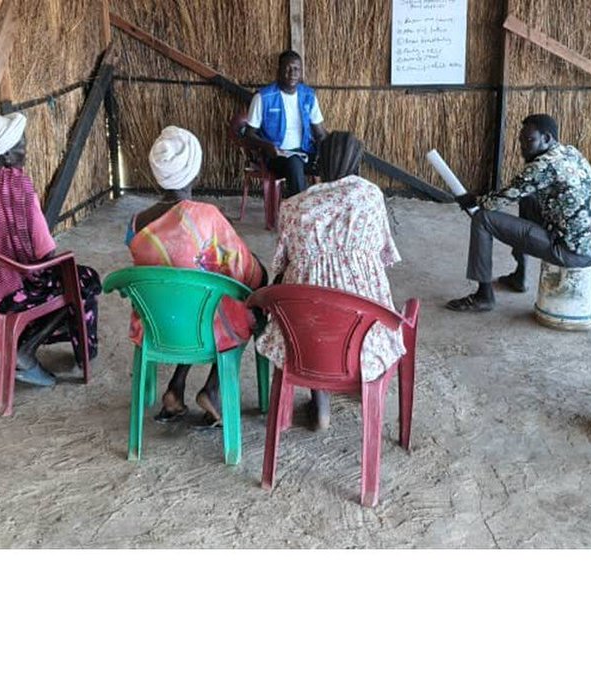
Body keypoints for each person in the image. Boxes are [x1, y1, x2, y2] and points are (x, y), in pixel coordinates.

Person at [256, 132, 405, 430]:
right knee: (358, 301)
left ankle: (320, 404)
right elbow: (383, 255)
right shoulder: (370, 196)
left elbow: (281, 266)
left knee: (311, 303)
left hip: (306, 344)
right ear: (357, 164)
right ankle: (363, 379)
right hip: (363, 333)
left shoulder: (294, 206)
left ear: (318, 164)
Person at [0, 112, 101, 387]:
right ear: (3, 154)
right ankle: (33, 350)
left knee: (66, 280)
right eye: (20, 145)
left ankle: (22, 342)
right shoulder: (17, 185)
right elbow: (46, 253)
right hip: (6, 292)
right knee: (82, 280)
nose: (25, 149)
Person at [129, 126, 266, 428]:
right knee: (243, 310)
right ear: (195, 169)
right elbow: (245, 269)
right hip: (198, 327)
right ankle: (213, 390)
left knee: (190, 298)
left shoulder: (136, 223)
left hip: (158, 324)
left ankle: (176, 389)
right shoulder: (207, 217)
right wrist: (258, 271)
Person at [446, 113, 591, 311]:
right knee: (527, 198)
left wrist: (471, 199)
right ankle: (519, 276)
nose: (523, 146)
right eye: (521, 140)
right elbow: (515, 192)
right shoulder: (569, 152)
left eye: (529, 140)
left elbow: (494, 203)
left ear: (547, 138)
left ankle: (483, 296)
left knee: (482, 218)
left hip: (569, 251)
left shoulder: (542, 166)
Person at [241, 50, 328, 197]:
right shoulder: (263, 97)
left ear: (301, 72)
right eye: (288, 68)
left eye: (296, 69)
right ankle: (301, 213)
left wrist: (330, 151)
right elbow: (249, 135)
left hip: (306, 152)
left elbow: (320, 133)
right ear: (279, 71)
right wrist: (267, 146)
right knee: (294, 163)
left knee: (338, 158)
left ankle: (331, 210)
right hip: (276, 156)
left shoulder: (309, 96)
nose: (292, 73)